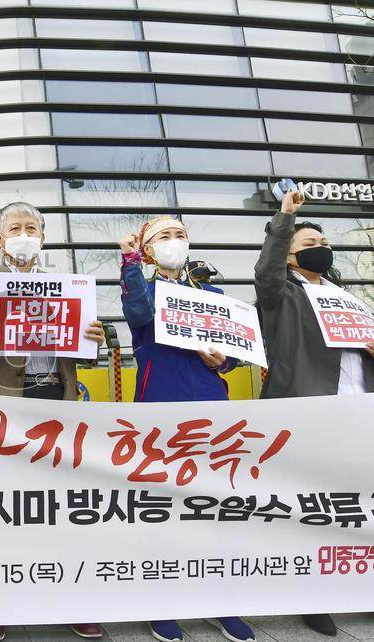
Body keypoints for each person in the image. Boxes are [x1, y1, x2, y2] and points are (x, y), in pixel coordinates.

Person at [0, 203, 106, 641]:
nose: (24, 234)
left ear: (43, 238)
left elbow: (83, 351)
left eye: (31, 228)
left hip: (55, 397)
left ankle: (70, 600)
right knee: (2, 506)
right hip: (1, 401)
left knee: (60, 507)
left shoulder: (67, 289)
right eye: (15, 228)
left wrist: (93, 339)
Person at [119, 217, 255, 642]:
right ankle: (162, 602)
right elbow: (137, 313)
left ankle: (221, 601)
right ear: (147, 249)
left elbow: (237, 351)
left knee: (215, 509)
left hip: (211, 409)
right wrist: (129, 262)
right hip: (160, 409)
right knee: (164, 512)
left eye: (180, 235)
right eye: (164, 236)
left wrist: (226, 362)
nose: (174, 242)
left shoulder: (213, 296)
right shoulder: (142, 289)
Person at [255, 189, 374, 637]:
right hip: (308, 413)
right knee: (310, 510)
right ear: (289, 255)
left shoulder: (349, 298)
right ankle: (312, 596)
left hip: (360, 410)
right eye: (308, 243)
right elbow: (266, 272)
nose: (320, 248)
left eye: (324, 242)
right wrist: (285, 217)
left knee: (358, 508)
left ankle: (364, 588)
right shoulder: (282, 294)